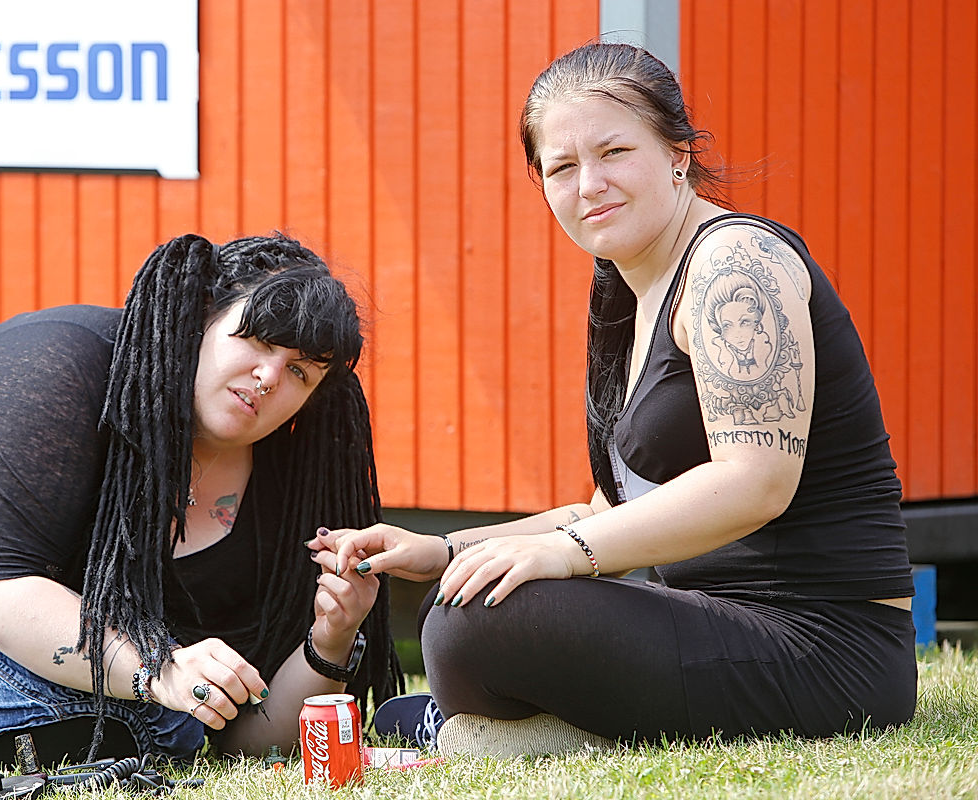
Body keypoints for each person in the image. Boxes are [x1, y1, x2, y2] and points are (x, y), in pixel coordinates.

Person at [316, 42, 916, 758]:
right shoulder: (628, 289)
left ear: (678, 154)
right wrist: (443, 550)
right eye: (563, 167)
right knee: (465, 604)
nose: (590, 183)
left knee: (470, 625)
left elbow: (757, 481)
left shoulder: (736, 265)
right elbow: (611, 511)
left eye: (613, 152)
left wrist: (566, 555)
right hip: (712, 618)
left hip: (829, 647)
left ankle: (500, 738)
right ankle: (512, 732)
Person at [0, 233, 402, 786]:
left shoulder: (285, 488)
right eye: (258, 340)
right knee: (140, 702)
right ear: (200, 316)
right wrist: (159, 669)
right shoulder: (61, 358)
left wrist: (331, 638)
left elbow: (236, 740)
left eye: (300, 371)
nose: (269, 377)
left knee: (153, 723)